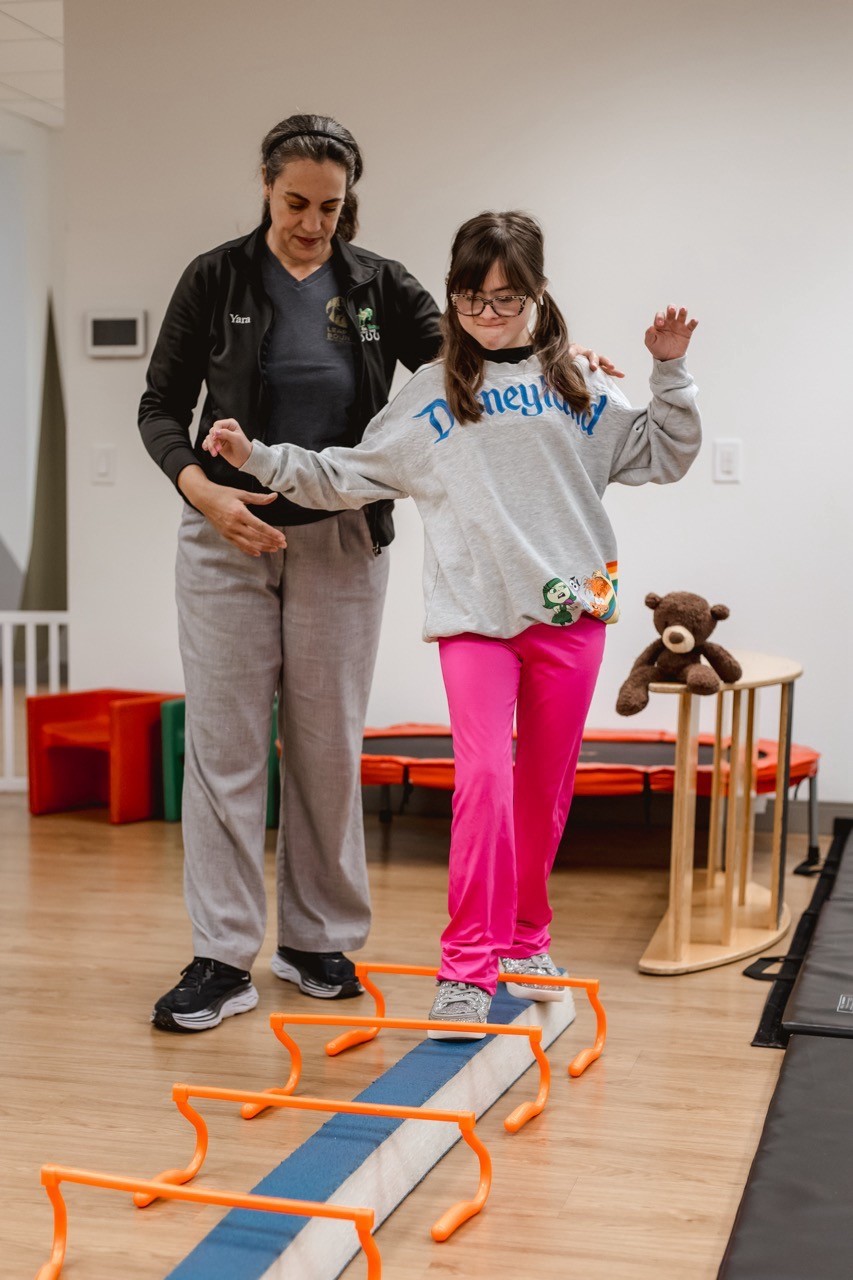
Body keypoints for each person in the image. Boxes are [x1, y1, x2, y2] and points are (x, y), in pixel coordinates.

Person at [202, 209, 702, 1038]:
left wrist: (669, 372)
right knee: (483, 782)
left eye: (507, 299)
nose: (489, 315)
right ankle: (466, 963)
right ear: (452, 299)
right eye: (472, 299)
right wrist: (258, 458)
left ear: (538, 294)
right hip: (474, 621)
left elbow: (664, 452)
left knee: (542, 792)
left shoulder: (581, 384)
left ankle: (524, 940)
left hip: (571, 618)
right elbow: (346, 475)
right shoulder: (432, 392)